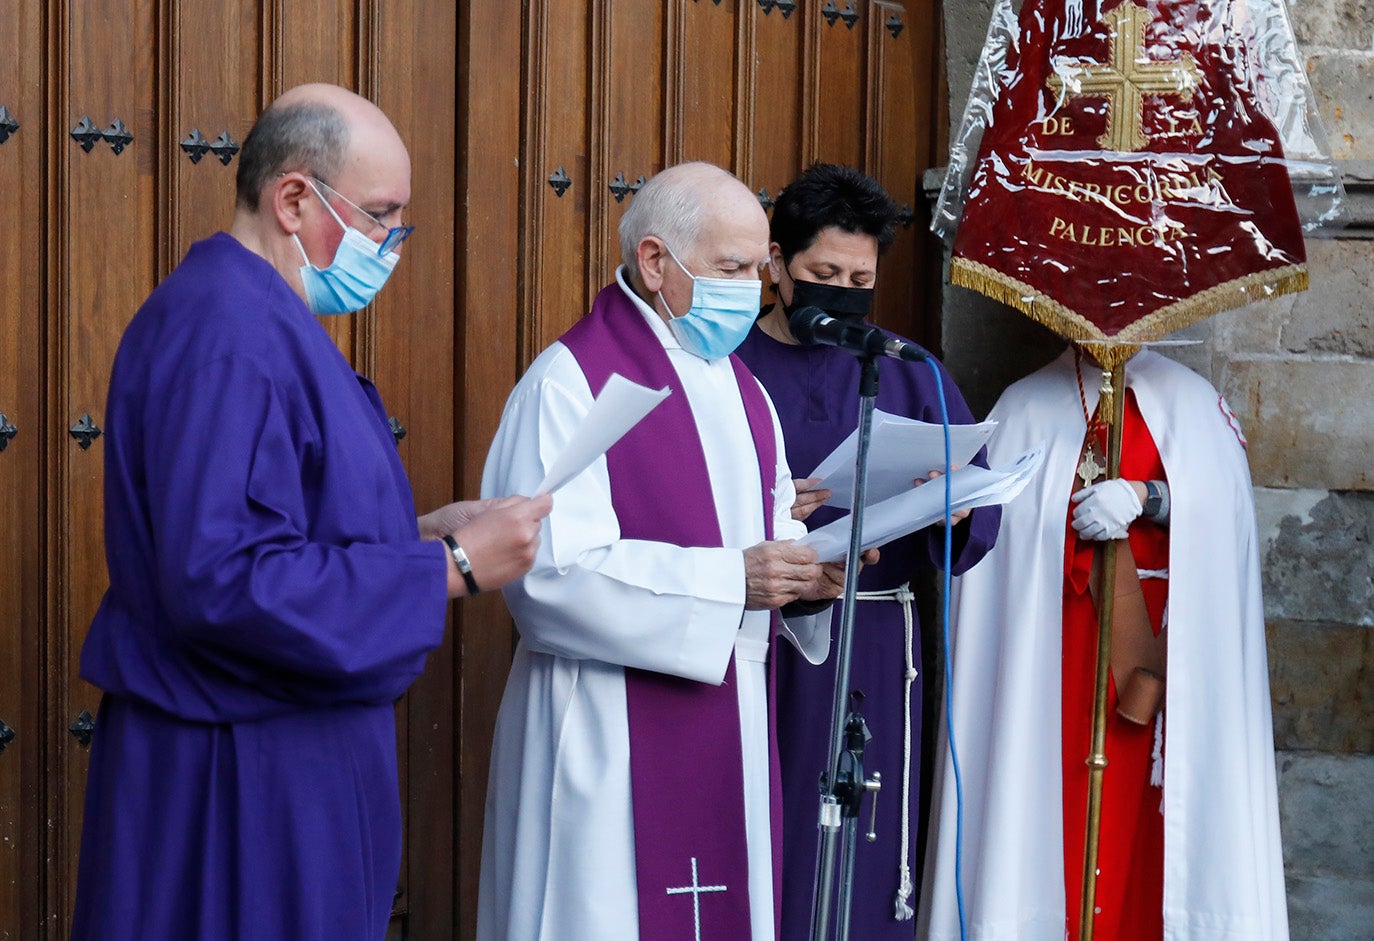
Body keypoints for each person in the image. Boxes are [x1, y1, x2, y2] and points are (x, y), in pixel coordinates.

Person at [71, 83, 551, 941]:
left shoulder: (265, 320)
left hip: (290, 750)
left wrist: (418, 535)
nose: (390, 245)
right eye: (378, 216)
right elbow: (221, 578)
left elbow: (276, 526)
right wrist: (453, 567)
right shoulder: (229, 333)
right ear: (293, 197)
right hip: (237, 771)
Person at [476, 161, 870, 940]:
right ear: (655, 261)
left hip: (728, 716)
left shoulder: (739, 387)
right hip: (603, 729)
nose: (752, 290)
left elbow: (767, 529)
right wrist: (734, 579)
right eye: (729, 268)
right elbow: (545, 576)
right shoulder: (570, 384)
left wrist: (808, 572)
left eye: (759, 269)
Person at [920, 347, 1288, 940]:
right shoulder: (1024, 407)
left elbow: (1228, 525)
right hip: (1051, 654)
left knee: (1155, 831)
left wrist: (1150, 499)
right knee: (1050, 816)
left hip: (1170, 655)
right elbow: (996, 542)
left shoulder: (1194, 404)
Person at [734, 163, 1001, 937]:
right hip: (761, 636)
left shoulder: (906, 369)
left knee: (865, 828)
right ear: (777, 264)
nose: (844, 290)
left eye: (860, 277)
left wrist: (947, 504)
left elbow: (974, 506)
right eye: (824, 273)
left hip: (879, 637)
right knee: (771, 822)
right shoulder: (729, 367)